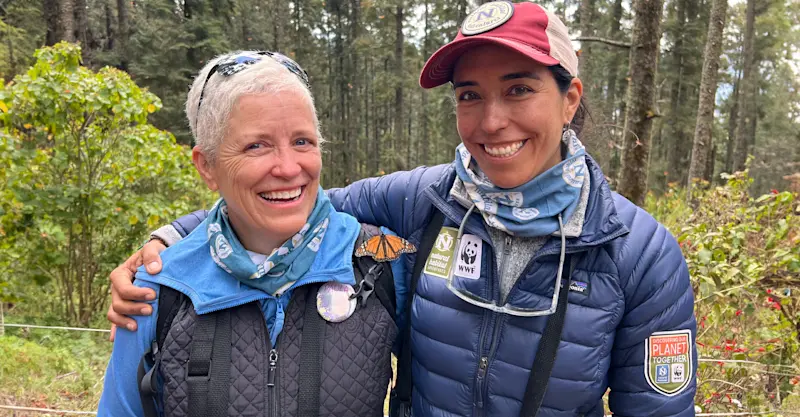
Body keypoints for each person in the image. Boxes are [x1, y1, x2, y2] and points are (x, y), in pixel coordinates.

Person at [107, 2, 698, 416]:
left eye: (519, 88)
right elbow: (294, 206)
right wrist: (171, 243)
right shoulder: (426, 202)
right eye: (470, 96)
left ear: (569, 98)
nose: (492, 121)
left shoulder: (638, 254)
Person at [98, 51, 410, 416]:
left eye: (302, 142)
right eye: (256, 146)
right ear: (208, 166)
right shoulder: (158, 287)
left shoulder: (382, 264)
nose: (288, 168)